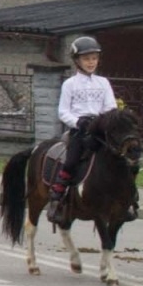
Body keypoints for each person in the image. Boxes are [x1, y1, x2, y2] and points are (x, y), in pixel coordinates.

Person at [45, 35, 122, 228]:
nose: (91, 62)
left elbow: (111, 106)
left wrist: (103, 121)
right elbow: (63, 111)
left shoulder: (103, 82)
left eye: (94, 58)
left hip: (100, 129)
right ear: (77, 61)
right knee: (71, 160)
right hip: (80, 130)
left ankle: (127, 199)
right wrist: (78, 122)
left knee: (120, 157)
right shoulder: (69, 84)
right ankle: (58, 194)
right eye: (87, 59)